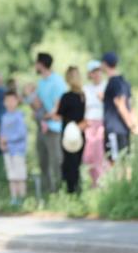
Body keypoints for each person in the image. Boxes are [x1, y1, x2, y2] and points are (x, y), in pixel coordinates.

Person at [24, 52, 66, 195]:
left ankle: (60, 191)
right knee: (43, 161)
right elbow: (39, 104)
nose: (35, 66)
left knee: (56, 161)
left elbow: (59, 104)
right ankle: (48, 193)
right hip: (42, 127)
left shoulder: (57, 81)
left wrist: (49, 115)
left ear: (41, 64)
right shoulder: (41, 83)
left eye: (36, 63)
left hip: (54, 128)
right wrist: (29, 95)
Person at [101, 52, 138, 167]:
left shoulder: (114, 82)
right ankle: (126, 185)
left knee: (115, 163)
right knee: (125, 162)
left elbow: (120, 105)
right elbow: (130, 107)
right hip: (123, 130)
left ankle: (118, 185)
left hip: (114, 129)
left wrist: (134, 126)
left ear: (104, 64)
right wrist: (136, 125)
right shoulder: (124, 82)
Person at [53, 66, 87, 194]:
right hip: (81, 133)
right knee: (77, 163)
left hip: (68, 135)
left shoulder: (66, 97)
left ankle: (70, 191)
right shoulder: (83, 96)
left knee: (68, 164)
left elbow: (57, 116)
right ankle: (79, 190)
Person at [81, 60, 108, 187]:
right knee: (88, 156)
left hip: (102, 123)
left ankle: (102, 182)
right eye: (94, 72)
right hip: (88, 124)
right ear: (90, 74)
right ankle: (94, 182)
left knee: (99, 153)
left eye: (98, 71)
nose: (96, 74)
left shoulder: (106, 86)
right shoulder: (86, 89)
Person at [0, 90, 28, 205]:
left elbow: (21, 134)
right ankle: (14, 198)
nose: (10, 103)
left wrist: (7, 140)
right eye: (7, 101)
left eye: (12, 100)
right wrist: (1, 143)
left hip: (18, 151)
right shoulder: (4, 117)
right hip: (7, 151)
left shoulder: (19, 116)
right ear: (4, 102)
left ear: (17, 101)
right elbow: (2, 133)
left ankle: (22, 198)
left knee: (20, 176)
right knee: (11, 176)